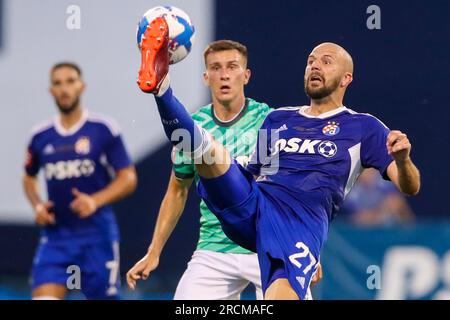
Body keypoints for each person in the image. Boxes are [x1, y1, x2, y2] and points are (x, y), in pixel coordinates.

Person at [130, 17, 420, 300]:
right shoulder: (278, 119)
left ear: (347, 78)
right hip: (253, 205)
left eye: (326, 61)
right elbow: (260, 171)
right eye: (310, 61)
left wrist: (403, 159)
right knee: (207, 148)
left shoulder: (363, 127)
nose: (315, 65)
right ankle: (161, 86)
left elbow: (410, 186)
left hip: (297, 225)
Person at [126, 40, 319, 299]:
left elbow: (288, 192)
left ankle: (163, 91)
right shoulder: (194, 126)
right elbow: (177, 191)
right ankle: (161, 89)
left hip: (269, 245)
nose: (224, 74)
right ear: (206, 77)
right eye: (215, 68)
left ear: (246, 75)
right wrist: (154, 250)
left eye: (232, 67)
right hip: (214, 250)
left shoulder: (269, 120)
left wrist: (307, 250)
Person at [23, 62, 137, 300]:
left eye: (70, 81)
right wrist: (37, 204)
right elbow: (28, 176)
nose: (64, 88)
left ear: (82, 86)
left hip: (97, 236)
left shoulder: (103, 129)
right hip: (56, 238)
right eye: (57, 83)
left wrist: (95, 200)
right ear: (51, 90)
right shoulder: (40, 136)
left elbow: (128, 178)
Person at [340, 168, 415, 226]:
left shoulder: (383, 182)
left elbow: (396, 203)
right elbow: (358, 218)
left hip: (390, 227)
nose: (368, 173)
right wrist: (380, 213)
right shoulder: (351, 190)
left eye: (370, 169)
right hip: (365, 232)